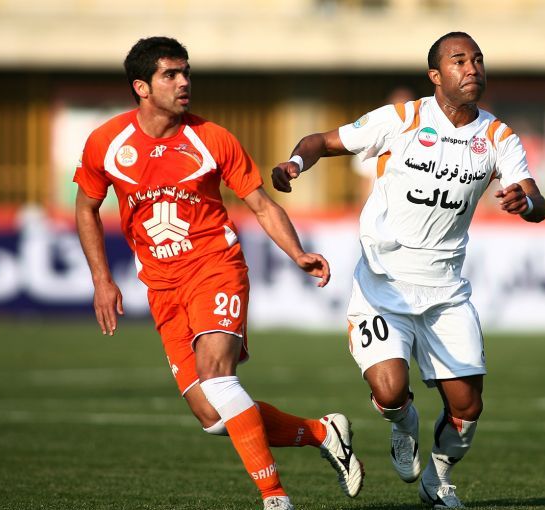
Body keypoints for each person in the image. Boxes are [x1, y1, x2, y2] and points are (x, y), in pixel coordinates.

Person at [73, 36, 363, 510]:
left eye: (186, 72)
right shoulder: (107, 142)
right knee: (211, 413)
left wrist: (297, 253)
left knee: (217, 376)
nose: (183, 82)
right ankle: (321, 432)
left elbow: (261, 204)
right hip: (161, 285)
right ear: (141, 87)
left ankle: (274, 497)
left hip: (215, 267)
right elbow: (86, 208)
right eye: (170, 74)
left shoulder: (212, 138)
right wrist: (102, 280)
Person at [271, 32, 545, 509]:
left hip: (446, 292)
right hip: (384, 285)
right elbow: (320, 141)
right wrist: (295, 163)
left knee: (468, 408)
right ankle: (404, 425)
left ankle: (437, 479)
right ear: (435, 75)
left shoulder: (498, 137)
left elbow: (537, 200)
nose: (472, 68)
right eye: (459, 60)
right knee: (390, 389)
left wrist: (526, 203)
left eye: (478, 59)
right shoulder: (402, 119)